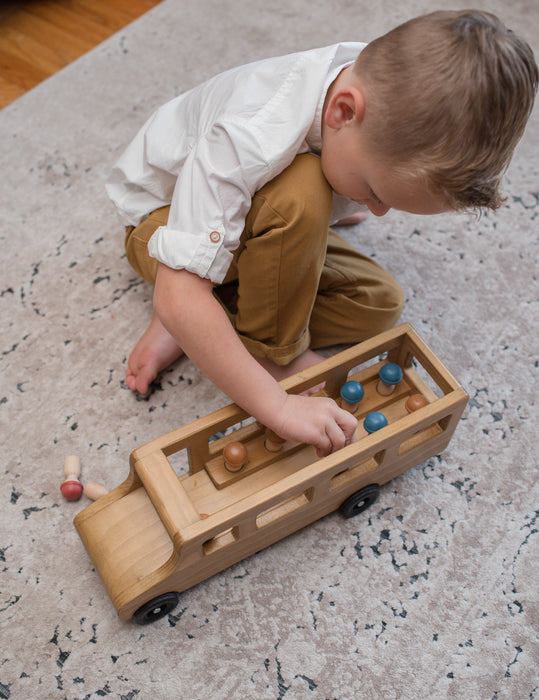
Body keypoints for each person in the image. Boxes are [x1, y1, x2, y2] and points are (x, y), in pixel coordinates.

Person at [106, 10, 537, 457]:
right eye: (373, 192)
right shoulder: (248, 135)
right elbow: (290, 191)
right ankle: (261, 348)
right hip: (161, 218)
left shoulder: (383, 88)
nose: (378, 211)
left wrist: (346, 199)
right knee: (303, 194)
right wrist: (276, 406)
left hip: (245, 220)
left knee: (378, 304)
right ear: (342, 111)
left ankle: (201, 312)